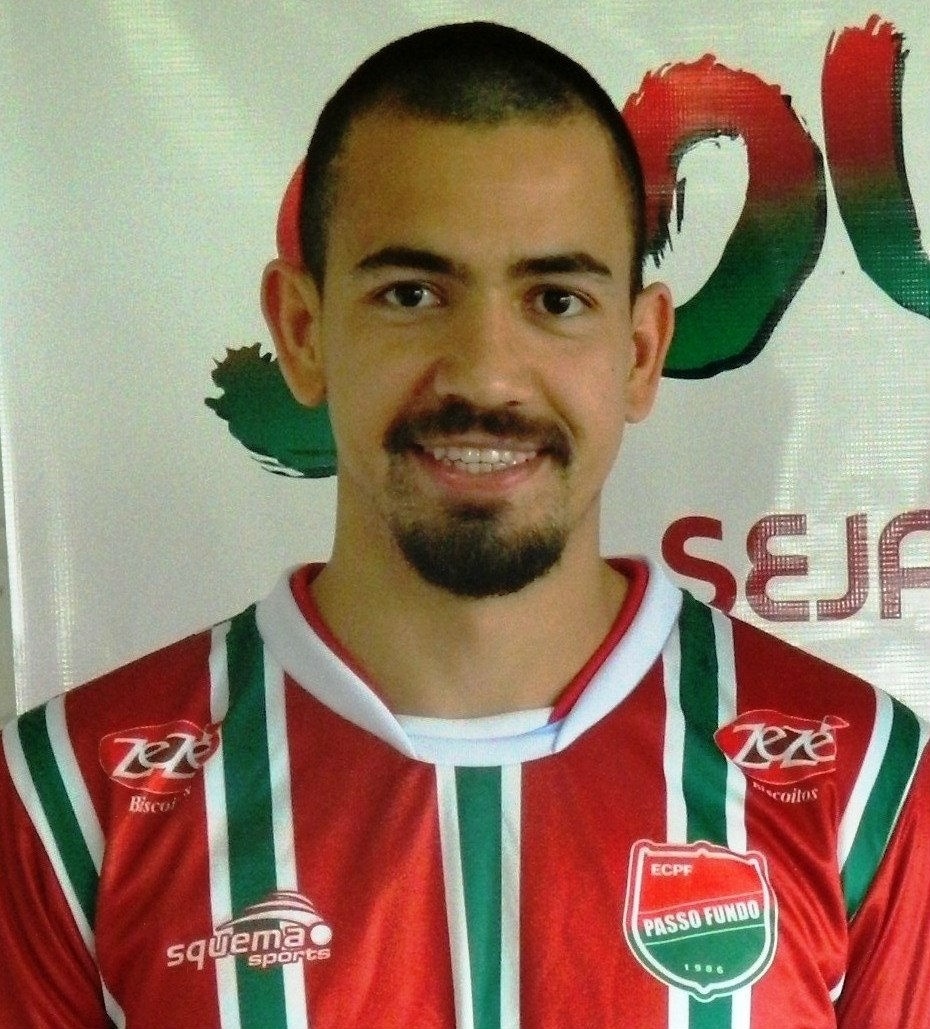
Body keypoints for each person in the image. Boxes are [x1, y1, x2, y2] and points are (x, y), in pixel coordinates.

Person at [1, 20, 928, 1029]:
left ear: (640, 352)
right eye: (411, 294)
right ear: (302, 334)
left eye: (556, 300)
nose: (486, 374)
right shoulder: (70, 803)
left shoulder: (864, 789)